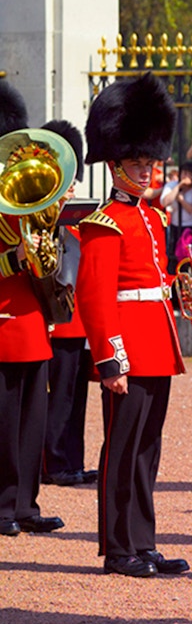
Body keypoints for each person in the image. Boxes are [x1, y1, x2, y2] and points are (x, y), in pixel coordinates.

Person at [78, 73, 187, 576]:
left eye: (150, 163)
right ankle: (118, 547)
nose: (146, 172)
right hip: (126, 348)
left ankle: (144, 541)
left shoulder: (151, 218)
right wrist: (110, 359)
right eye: (137, 164)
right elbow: (95, 296)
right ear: (116, 164)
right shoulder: (104, 222)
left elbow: (153, 281)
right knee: (121, 450)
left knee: (148, 447)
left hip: (156, 343)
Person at [0, 80, 66, 538]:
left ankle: (26, 503)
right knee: (3, 426)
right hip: (4, 324)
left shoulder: (31, 209)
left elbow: (50, 263)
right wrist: (14, 259)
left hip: (33, 325)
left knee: (31, 424)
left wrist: (48, 250)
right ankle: (2, 507)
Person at [41, 119, 97, 487]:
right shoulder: (43, 215)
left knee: (76, 397)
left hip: (79, 320)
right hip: (57, 321)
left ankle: (71, 459)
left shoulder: (77, 216)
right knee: (58, 396)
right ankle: (55, 462)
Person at [160, 161, 192, 267]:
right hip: (176, 226)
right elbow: (164, 202)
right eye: (184, 173)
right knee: (174, 258)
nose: (186, 176)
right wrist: (179, 186)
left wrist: (181, 200)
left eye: (189, 174)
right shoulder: (172, 185)